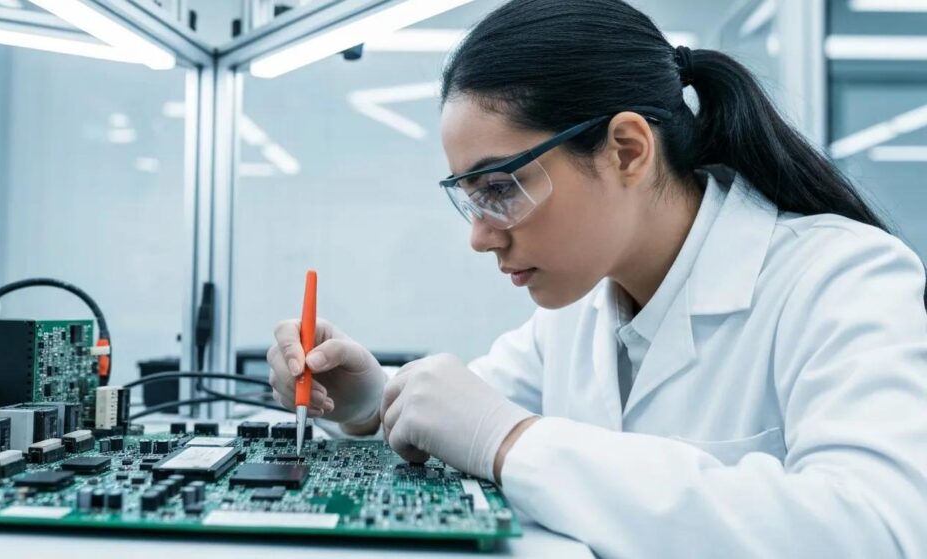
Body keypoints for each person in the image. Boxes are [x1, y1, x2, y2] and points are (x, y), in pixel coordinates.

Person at [266, 0, 927, 555]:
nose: (479, 234)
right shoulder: (575, 312)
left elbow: (880, 528)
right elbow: (458, 419)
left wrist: (515, 442)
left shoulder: (840, 276)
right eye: (471, 198)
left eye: (501, 188)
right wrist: (366, 398)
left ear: (627, 150)